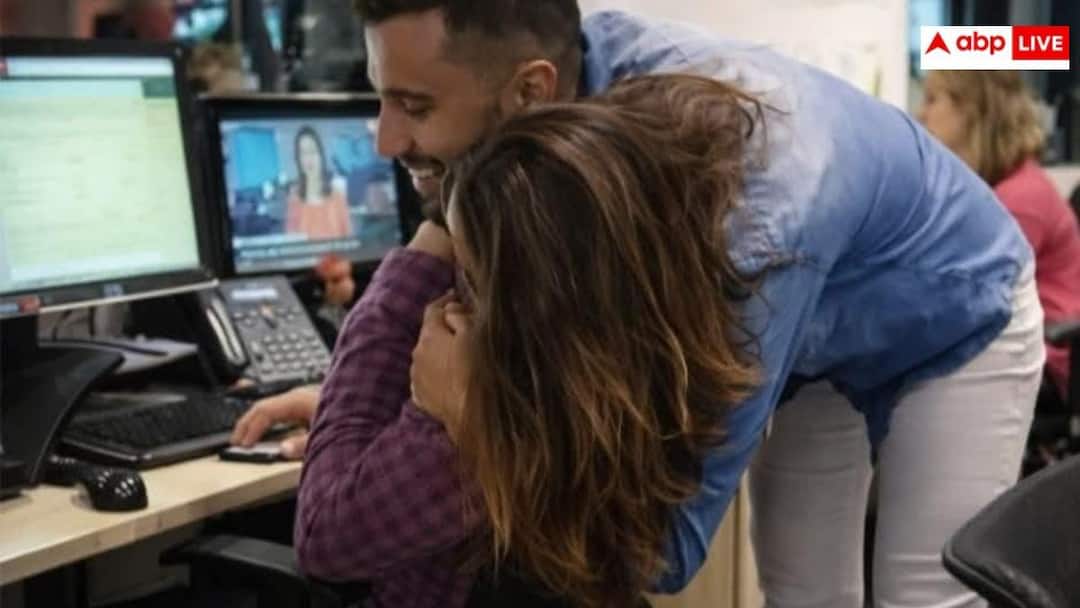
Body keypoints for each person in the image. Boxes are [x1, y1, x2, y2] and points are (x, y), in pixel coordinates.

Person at [250, 3, 1043, 607]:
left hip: (955, 304)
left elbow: (663, 545)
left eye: (415, 107)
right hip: (815, 318)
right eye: (381, 98)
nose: (384, 140)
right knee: (803, 592)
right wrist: (401, 403)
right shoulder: (557, 72)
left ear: (531, 91)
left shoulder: (749, 221)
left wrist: (476, 421)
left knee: (924, 596)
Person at [920, 70, 1080, 402]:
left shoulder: (1022, 197)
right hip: (1011, 345)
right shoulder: (995, 187)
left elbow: (965, 294)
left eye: (933, 100)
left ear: (973, 109)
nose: (921, 114)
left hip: (1041, 360)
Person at [286, 126, 353, 240]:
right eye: (303, 153)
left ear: (321, 155)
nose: (309, 158)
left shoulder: (338, 197)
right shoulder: (294, 200)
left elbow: (349, 241)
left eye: (312, 151)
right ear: (298, 159)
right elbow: (291, 243)